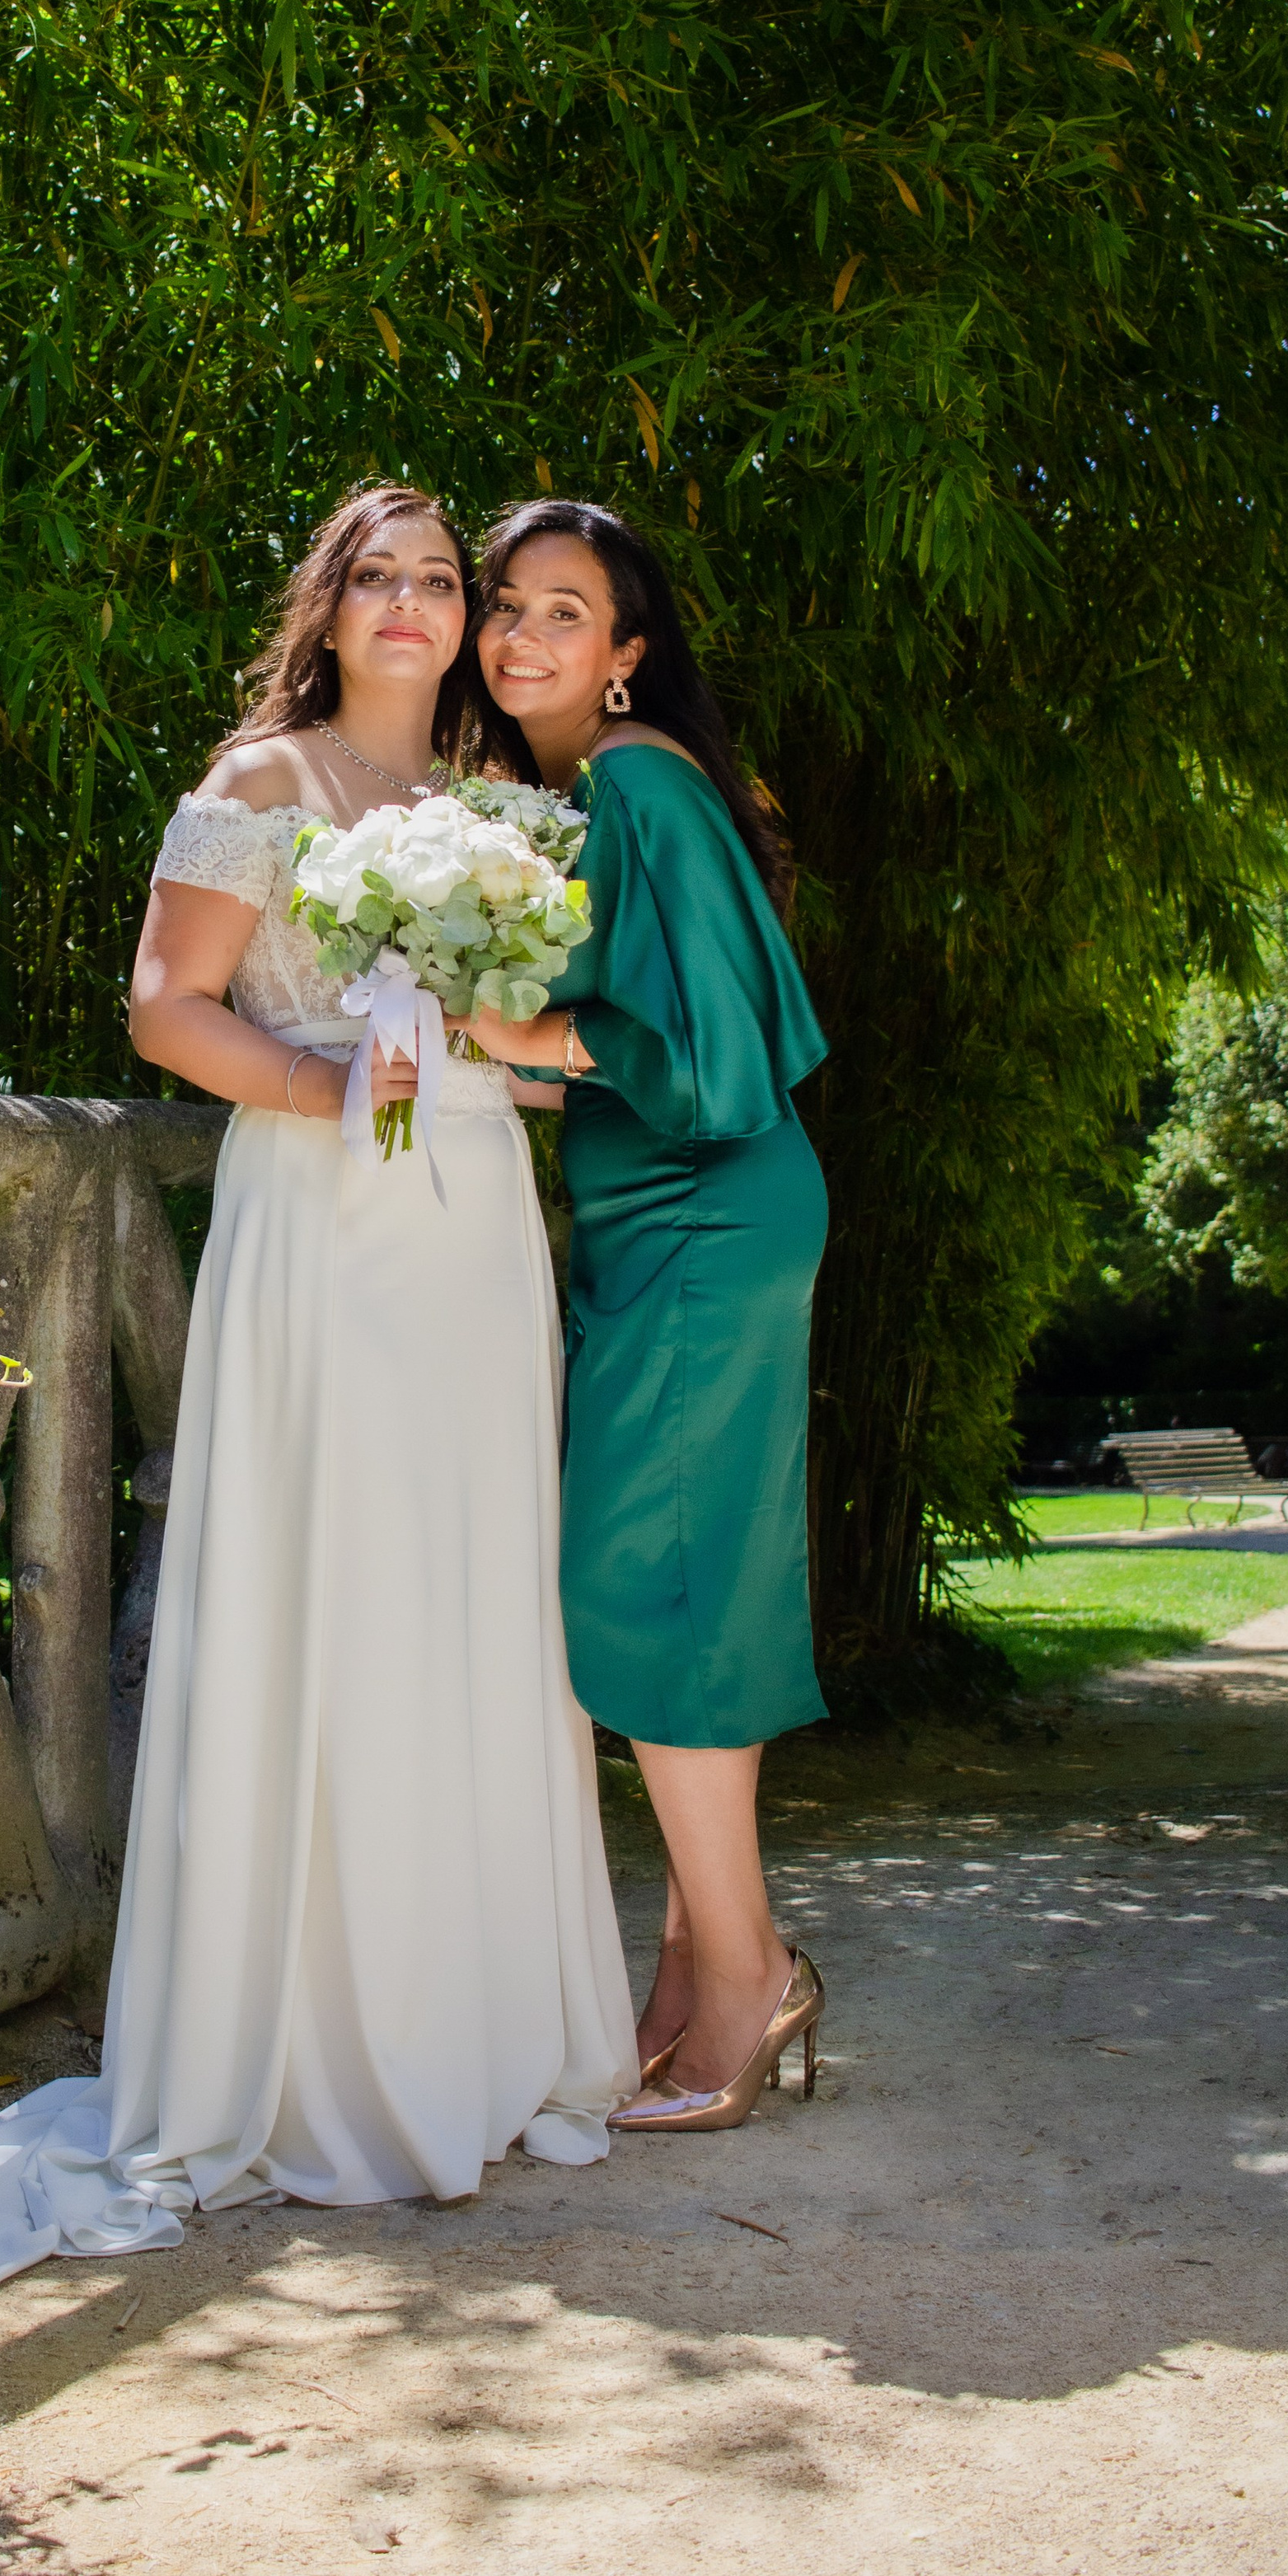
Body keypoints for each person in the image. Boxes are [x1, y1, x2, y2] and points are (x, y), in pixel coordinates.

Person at [0, 481, 635, 2291]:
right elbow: (167, 1008)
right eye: (372, 576)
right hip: (324, 1222)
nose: (408, 602)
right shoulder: (257, 787)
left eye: (437, 579)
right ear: (322, 609)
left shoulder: (504, 816)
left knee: (466, 1600)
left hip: (472, 1234)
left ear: (467, 618)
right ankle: (301, 2055)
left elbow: (565, 1066)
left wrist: (473, 1052)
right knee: (332, 1594)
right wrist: (347, 1085)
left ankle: (466, 2041)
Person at [457, 497, 828, 2135]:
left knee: (655, 1587)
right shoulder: (583, 801)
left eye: (563, 613)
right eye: (505, 607)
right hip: (680, 1221)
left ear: (624, 659)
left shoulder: (629, 782)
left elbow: (711, 1053)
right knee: (678, 1579)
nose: (521, 636)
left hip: (703, 1222)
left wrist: (509, 1035)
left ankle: (746, 1981)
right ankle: (696, 1968)